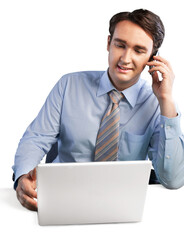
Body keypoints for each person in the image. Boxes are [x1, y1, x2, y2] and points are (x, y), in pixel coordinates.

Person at [12, 9, 184, 211]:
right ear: (109, 43)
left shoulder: (155, 104)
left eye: (138, 50)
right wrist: (23, 176)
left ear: (152, 58)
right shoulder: (69, 85)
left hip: (121, 204)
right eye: (120, 45)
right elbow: (36, 138)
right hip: (64, 197)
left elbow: (173, 179)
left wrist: (166, 101)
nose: (126, 58)